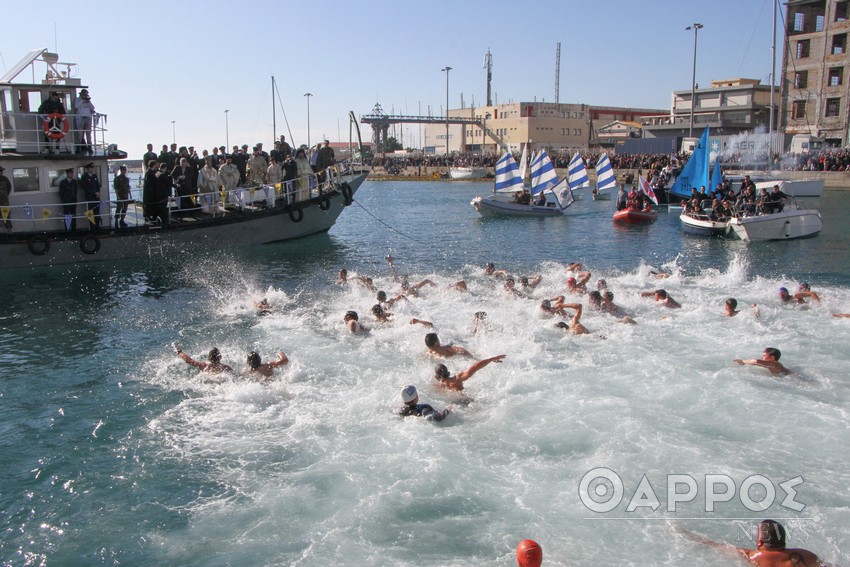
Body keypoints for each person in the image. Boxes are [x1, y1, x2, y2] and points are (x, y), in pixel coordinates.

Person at [433, 354, 506, 391]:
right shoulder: (457, 379)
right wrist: (491, 359)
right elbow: (475, 366)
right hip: (465, 401)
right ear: (448, 372)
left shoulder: (437, 386)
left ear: (436, 377)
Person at [79, 162, 102, 228]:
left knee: (97, 213)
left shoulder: (95, 176)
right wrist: (94, 192)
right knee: (90, 213)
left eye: (92, 168)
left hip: (96, 198)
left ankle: (97, 226)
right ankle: (92, 226)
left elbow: (97, 185)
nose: (92, 169)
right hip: (90, 198)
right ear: (88, 169)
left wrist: (98, 192)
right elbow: (86, 187)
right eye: (91, 168)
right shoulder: (84, 177)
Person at [73, 88, 95, 155]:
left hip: (88, 118)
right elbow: (76, 106)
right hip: (80, 118)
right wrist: (82, 100)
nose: (85, 95)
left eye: (86, 94)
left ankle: (89, 147)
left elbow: (92, 108)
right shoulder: (77, 100)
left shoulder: (88, 101)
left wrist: (88, 101)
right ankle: (78, 147)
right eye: (84, 94)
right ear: (81, 94)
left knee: (88, 134)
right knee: (80, 134)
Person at [58, 167, 79, 232]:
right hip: (66, 202)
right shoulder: (63, 182)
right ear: (67, 174)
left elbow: (76, 191)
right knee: (67, 216)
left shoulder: (75, 182)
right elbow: (61, 193)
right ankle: (67, 229)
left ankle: (74, 230)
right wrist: (64, 200)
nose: (72, 174)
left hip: (73, 201)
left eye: (72, 173)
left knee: (73, 216)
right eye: (70, 173)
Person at [0, 165, 12, 231]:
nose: (2, 172)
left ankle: (9, 229)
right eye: (1, 171)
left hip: (4, 200)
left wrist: (6, 195)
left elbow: (9, 187)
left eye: (2, 171)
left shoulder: (5, 179)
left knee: (6, 214)